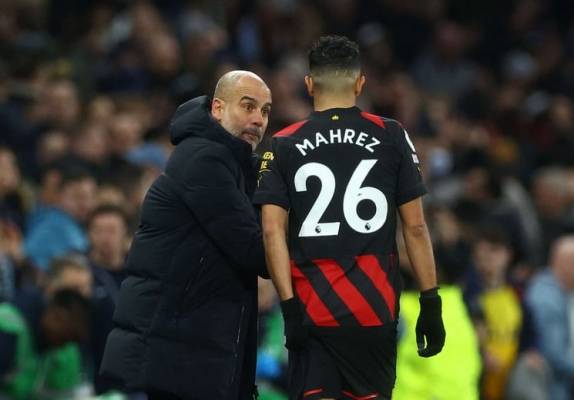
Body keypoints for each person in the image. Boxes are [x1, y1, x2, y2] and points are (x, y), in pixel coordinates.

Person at [254, 36, 445, 400]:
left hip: (312, 310)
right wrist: (430, 302)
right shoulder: (391, 135)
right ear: (360, 83)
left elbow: (271, 231)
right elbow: (416, 227)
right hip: (373, 310)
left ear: (309, 84)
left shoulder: (283, 143)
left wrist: (289, 308)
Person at [100, 70, 272, 400]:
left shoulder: (236, 166)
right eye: (248, 106)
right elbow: (254, 251)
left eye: (265, 111)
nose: (258, 120)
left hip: (192, 352)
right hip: (180, 356)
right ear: (218, 108)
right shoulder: (204, 159)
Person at [525, 235, 574, 400]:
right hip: (551, 388)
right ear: (565, 264)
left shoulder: (565, 292)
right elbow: (554, 354)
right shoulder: (546, 298)